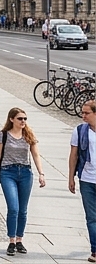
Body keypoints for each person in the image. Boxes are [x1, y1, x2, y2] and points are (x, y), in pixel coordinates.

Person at [0, 107, 44, 255]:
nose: (23, 121)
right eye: (20, 118)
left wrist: (41, 173)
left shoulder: (28, 134)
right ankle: (11, 241)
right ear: (11, 119)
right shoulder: (3, 135)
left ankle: (20, 240)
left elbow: (36, 155)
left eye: (25, 119)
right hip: (8, 172)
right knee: (13, 208)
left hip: (25, 172)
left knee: (23, 210)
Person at [68, 100, 96, 263]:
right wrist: (71, 177)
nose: (83, 115)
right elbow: (74, 155)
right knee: (92, 217)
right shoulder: (79, 130)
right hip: (87, 179)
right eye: (82, 112)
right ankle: (95, 250)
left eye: (87, 113)